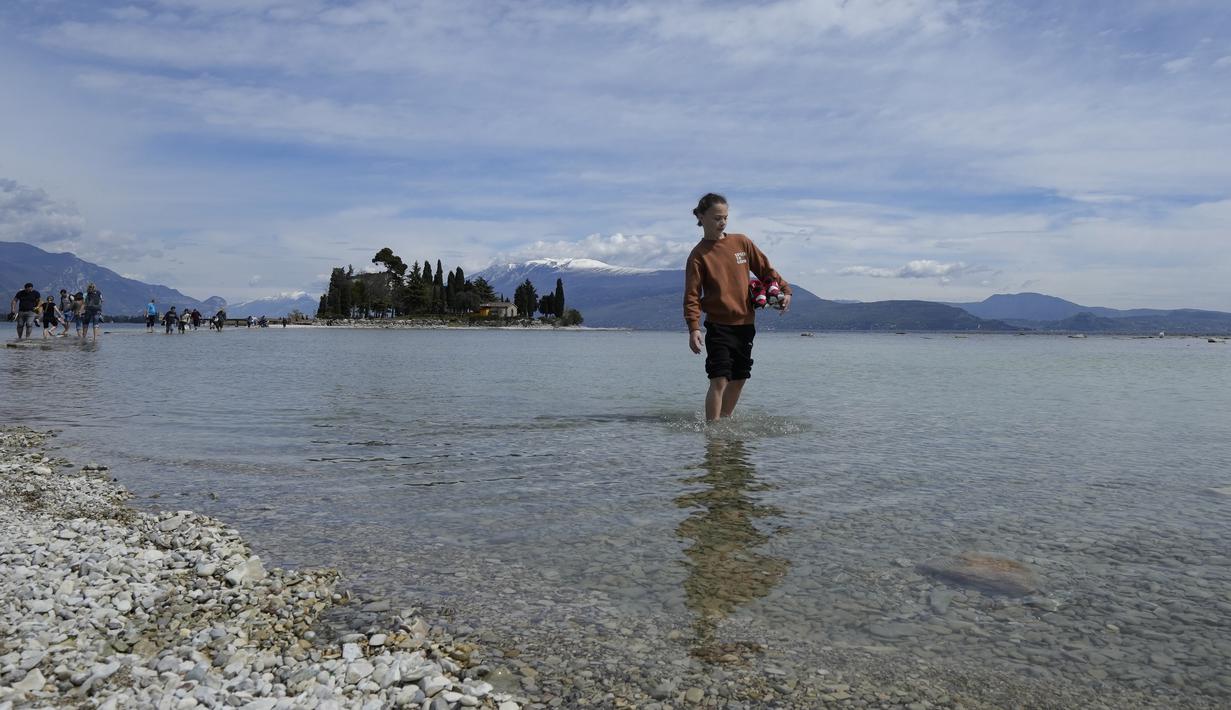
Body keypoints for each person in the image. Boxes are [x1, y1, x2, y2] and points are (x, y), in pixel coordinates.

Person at [683, 193, 792, 422]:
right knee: (719, 379)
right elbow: (692, 295)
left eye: (725, 217)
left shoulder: (741, 242)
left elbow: (766, 270)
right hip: (718, 326)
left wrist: (785, 291)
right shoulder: (698, 255)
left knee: (740, 378)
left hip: (745, 324)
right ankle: (712, 433)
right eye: (716, 218)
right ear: (701, 217)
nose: (722, 222)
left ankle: (724, 421)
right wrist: (694, 328)